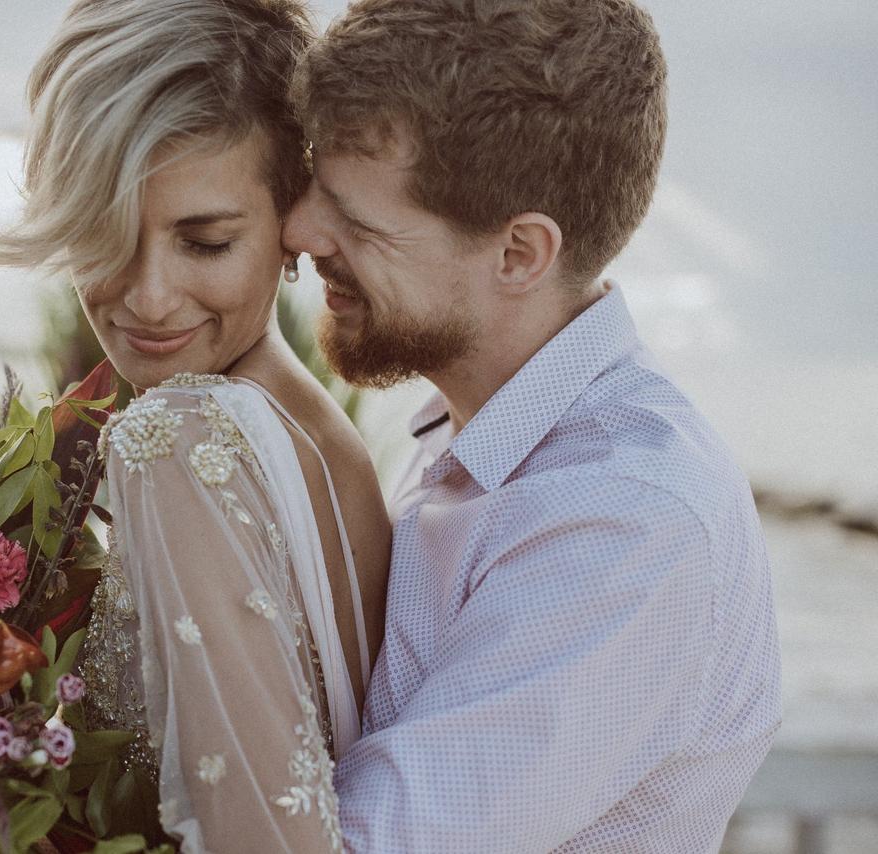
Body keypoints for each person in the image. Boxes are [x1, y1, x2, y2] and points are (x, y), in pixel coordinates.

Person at [282, 0, 782, 850]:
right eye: (311, 190)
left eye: (357, 221)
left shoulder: (624, 519)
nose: (299, 232)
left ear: (519, 254)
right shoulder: (464, 432)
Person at [0, 1, 389, 851]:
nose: (149, 296)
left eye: (204, 243)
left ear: (291, 227)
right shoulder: (324, 437)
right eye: (106, 235)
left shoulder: (182, 433)